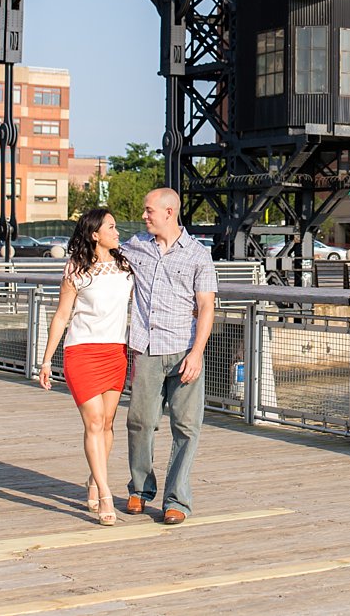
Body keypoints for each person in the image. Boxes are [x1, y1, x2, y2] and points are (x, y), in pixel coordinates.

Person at [122, 187, 216, 525]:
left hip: (183, 351)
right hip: (146, 348)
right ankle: (139, 489)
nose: (144, 216)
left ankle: (177, 500)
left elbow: (206, 305)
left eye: (149, 210)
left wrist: (197, 352)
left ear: (169, 212)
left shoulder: (197, 254)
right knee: (140, 422)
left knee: (186, 427)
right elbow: (101, 253)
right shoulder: (135, 247)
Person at [36, 208, 134, 526]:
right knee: (93, 423)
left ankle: (94, 478)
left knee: (106, 424)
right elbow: (62, 316)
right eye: (112, 227)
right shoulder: (76, 270)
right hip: (81, 352)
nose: (117, 232)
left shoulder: (126, 266)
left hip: (115, 352)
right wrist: (47, 359)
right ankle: (105, 493)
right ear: (95, 234)